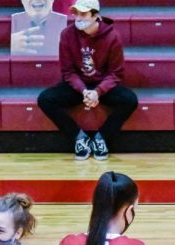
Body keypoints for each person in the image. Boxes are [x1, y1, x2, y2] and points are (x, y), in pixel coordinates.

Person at [36, 0, 138, 161]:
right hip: (78, 87)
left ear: (95, 16)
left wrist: (98, 92)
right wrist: (84, 91)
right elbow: (68, 72)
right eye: (76, 13)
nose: (78, 17)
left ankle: (101, 138)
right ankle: (79, 138)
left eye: (83, 14)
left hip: (102, 85)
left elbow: (115, 73)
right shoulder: (67, 34)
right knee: (45, 99)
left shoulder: (112, 36)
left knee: (129, 100)